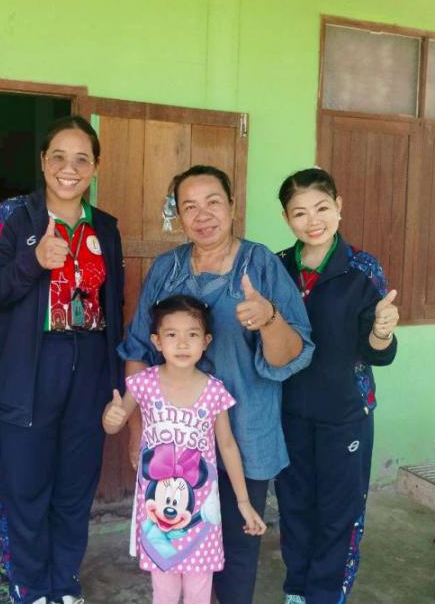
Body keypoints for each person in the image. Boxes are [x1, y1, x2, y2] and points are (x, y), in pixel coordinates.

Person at [119, 164, 314, 604]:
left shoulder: (260, 265)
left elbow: (293, 354)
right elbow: (137, 349)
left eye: (213, 202)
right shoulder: (167, 269)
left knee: (239, 550)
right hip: (176, 445)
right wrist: (136, 431)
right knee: (180, 547)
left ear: (232, 205)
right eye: (189, 206)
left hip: (245, 432)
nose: (202, 215)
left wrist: (268, 318)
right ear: (179, 216)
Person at [0, 115, 124, 604]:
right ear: (42, 162)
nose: (69, 168)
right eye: (58, 156)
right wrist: (32, 262)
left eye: (81, 159)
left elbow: (114, 308)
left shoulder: (105, 227)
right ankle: (32, 588)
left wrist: (117, 382)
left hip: (90, 367)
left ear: (95, 167)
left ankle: (64, 584)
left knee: (75, 487)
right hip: (28, 368)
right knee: (26, 487)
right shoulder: (15, 217)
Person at [273, 168, 399, 604]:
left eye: (322, 208)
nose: (313, 221)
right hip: (289, 411)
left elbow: (379, 353)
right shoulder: (278, 267)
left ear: (339, 206)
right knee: (295, 507)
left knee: (338, 514)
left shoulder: (362, 268)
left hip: (345, 412)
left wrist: (381, 331)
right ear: (287, 218)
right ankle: (297, 589)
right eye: (299, 213)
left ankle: (326, 595)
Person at [103, 294, 267, 604]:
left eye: (192, 335)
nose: (181, 344)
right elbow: (114, 423)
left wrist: (244, 502)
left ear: (206, 341)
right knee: (164, 592)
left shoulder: (214, 391)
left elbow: (227, 445)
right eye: (171, 335)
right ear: (156, 341)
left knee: (198, 591)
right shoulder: (143, 383)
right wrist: (110, 417)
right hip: (156, 516)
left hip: (202, 515)